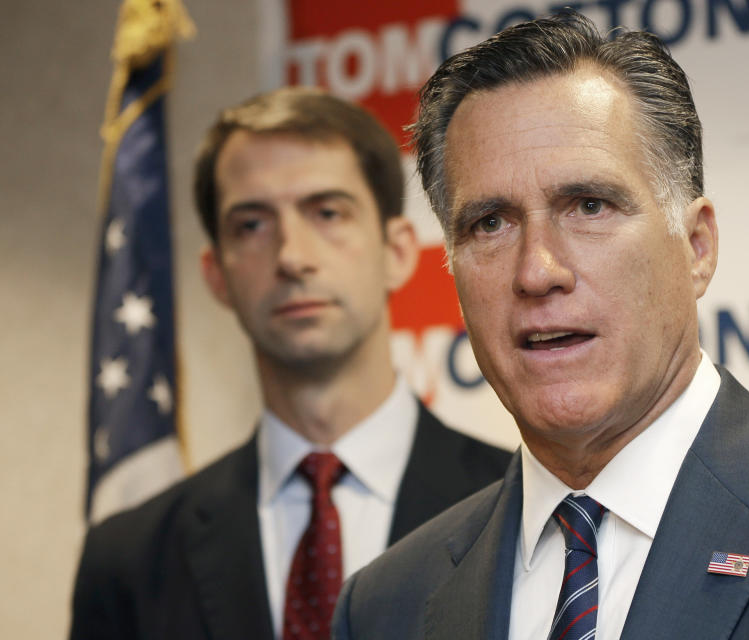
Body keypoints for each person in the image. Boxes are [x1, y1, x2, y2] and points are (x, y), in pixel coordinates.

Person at [332, 12, 749, 640]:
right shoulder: (385, 605)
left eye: (589, 206)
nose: (537, 271)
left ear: (696, 247)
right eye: (490, 223)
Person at [69, 87, 512, 640]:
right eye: (251, 225)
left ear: (398, 251)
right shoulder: (128, 559)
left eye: (327, 212)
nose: (292, 257)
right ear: (216, 275)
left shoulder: (524, 508)